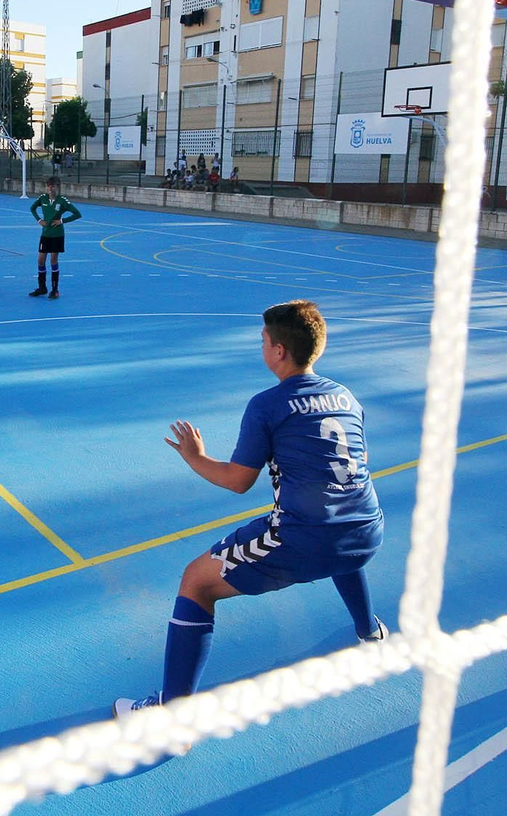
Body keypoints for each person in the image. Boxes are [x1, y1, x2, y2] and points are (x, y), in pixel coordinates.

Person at [114, 301, 388, 720]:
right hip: (367, 529)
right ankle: (370, 630)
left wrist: (194, 456)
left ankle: (170, 719)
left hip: (303, 538)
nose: (260, 345)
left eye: (263, 340)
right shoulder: (344, 395)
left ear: (279, 351)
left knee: (195, 582)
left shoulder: (268, 404)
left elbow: (237, 481)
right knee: (337, 531)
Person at [28, 175, 81, 299]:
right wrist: (39, 220)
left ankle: (55, 289)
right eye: (48, 186)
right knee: (40, 260)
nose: (50, 188)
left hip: (57, 235)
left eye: (53, 186)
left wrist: (61, 221)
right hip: (45, 234)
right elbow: (32, 208)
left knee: (53, 259)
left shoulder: (62, 201)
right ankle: (42, 288)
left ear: (58, 187)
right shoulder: (43, 198)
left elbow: (77, 214)